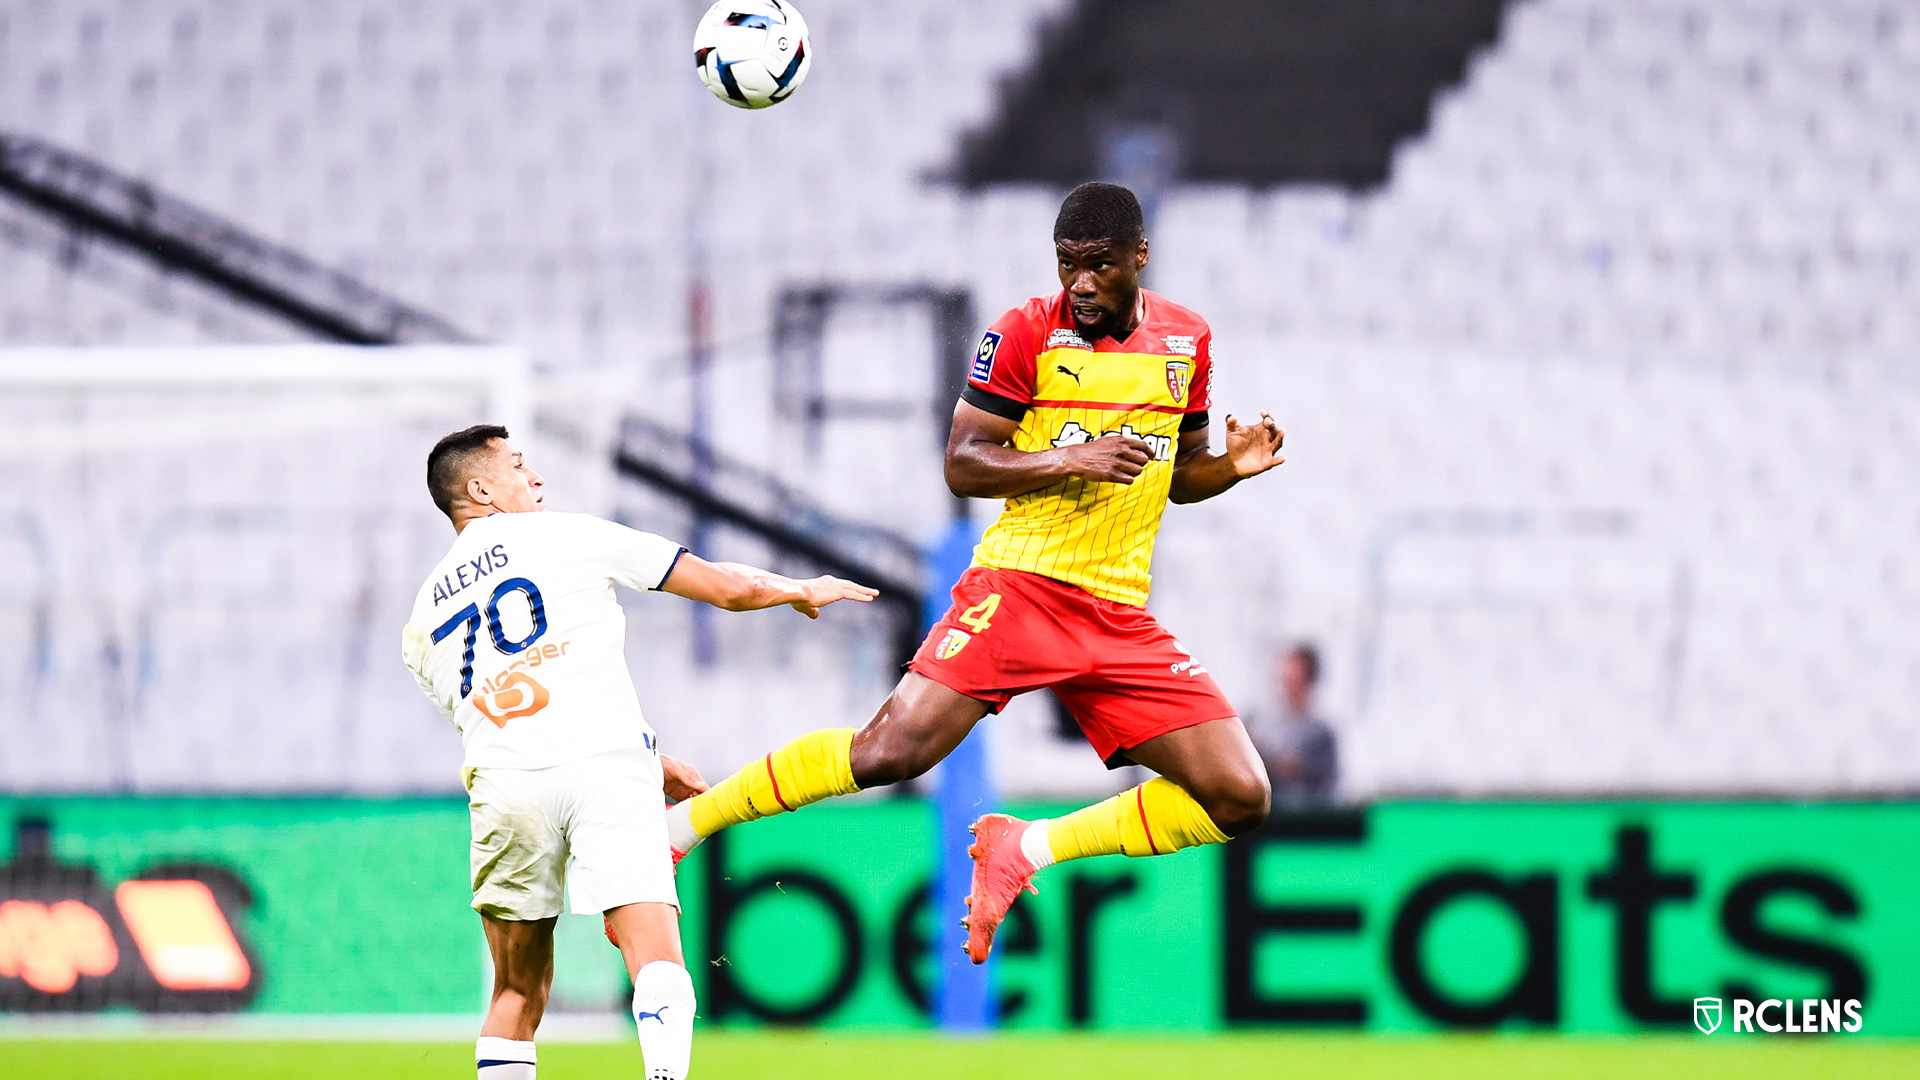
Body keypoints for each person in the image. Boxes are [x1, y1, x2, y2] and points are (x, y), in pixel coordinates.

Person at [663, 181, 1289, 963]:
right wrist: (1072, 456)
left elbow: (1180, 469)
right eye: (1067, 265)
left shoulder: (1185, 339)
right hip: (1020, 587)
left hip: (1118, 609)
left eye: (1098, 265)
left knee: (1240, 796)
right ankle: (685, 827)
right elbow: (962, 463)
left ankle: (1026, 848)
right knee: (889, 753)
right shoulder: (1026, 333)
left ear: (1140, 258)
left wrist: (1231, 465)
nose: (1081, 284)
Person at [400, 425, 874, 1080]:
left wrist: (653, 763)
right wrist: (796, 587)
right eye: (518, 466)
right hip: (603, 768)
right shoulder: (568, 534)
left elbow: (511, 713)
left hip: (505, 784)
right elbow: (728, 588)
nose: (536, 478)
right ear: (479, 489)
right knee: (657, 962)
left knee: (514, 992)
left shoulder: (421, 620)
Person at [1246, 644, 1338, 805]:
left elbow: (1319, 781)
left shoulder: (1321, 734)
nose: (1287, 686)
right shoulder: (1260, 722)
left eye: (1294, 679)